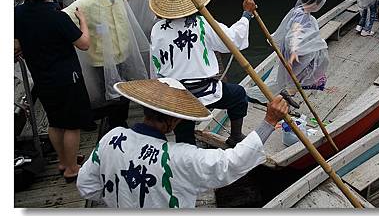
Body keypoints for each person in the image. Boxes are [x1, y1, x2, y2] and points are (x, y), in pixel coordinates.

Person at [76, 77, 289, 208]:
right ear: (173, 120)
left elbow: (86, 186)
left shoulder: (112, 138)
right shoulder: (179, 157)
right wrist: (269, 122)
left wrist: (122, 197)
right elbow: (230, 163)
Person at [148, 0, 257, 148]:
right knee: (238, 95)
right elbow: (232, 40)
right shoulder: (201, 24)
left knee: (183, 128)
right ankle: (235, 136)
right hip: (201, 90)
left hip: (172, 92)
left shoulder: (157, 29)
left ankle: (185, 155)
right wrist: (246, 15)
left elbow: (155, 64)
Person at [14, 0, 94, 183]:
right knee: (71, 124)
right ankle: (71, 168)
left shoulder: (18, 12)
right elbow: (84, 44)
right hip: (66, 76)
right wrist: (83, 22)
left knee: (55, 121)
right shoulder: (57, 17)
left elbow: (16, 42)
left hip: (41, 74)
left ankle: (63, 160)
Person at [63, 0, 150, 131]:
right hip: (101, 60)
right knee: (108, 96)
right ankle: (112, 124)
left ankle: (120, 120)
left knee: (124, 91)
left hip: (122, 54)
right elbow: (64, 18)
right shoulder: (87, 2)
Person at [247, 0, 329, 104]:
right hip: (294, 54)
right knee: (284, 78)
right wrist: (292, 57)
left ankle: (282, 92)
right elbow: (293, 36)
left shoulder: (300, 12)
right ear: (314, 3)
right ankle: (268, 96)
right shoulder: (301, 16)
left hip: (296, 53)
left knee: (285, 78)